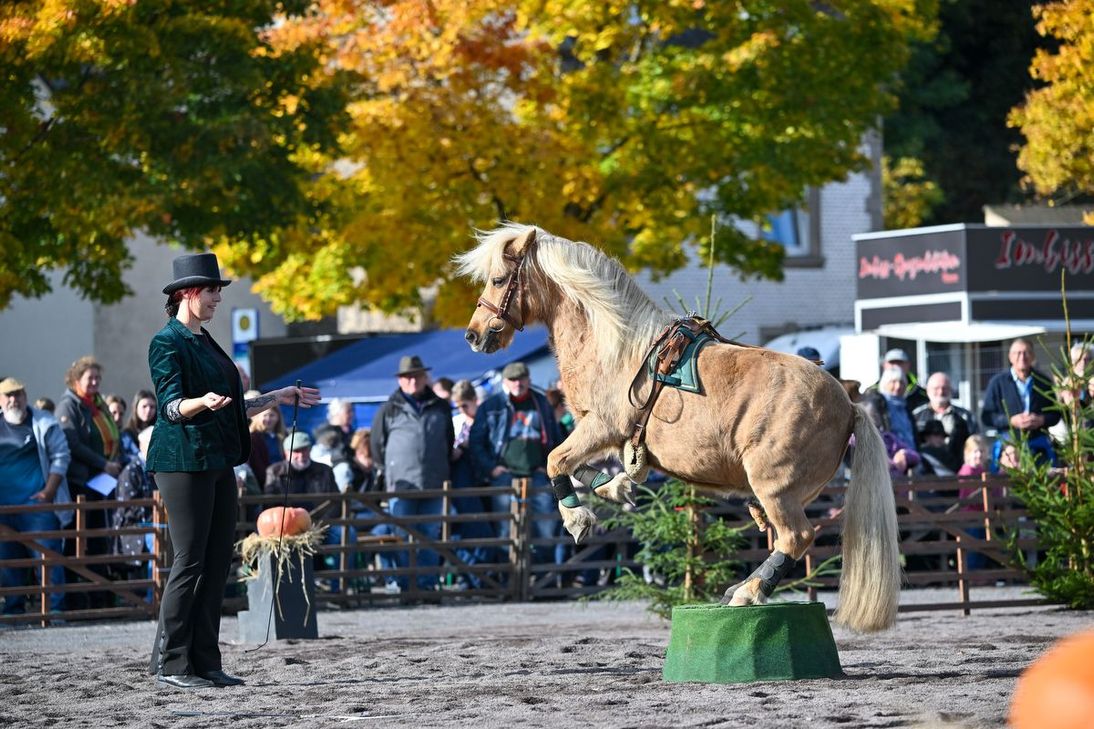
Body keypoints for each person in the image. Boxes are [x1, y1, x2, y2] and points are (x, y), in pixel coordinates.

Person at [146, 252, 319, 690]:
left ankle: (205, 660)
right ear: (188, 293)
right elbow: (169, 407)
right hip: (182, 462)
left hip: (219, 459)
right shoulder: (166, 342)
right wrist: (200, 402)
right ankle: (171, 662)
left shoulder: (205, 341)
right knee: (189, 560)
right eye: (212, 291)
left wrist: (278, 396)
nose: (218, 298)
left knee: (218, 559)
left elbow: (234, 406)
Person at [369, 355, 454, 592]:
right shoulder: (389, 409)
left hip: (434, 481)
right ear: (400, 380)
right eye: (408, 377)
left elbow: (448, 441)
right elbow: (377, 445)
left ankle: (427, 586)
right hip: (401, 484)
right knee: (402, 534)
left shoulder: (441, 406)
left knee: (429, 534)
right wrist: (391, 469)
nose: (413, 380)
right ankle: (407, 587)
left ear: (425, 377)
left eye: (417, 376)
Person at [468, 361, 563, 565]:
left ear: (529, 379)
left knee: (546, 528)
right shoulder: (491, 406)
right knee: (505, 530)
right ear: (505, 382)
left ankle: (541, 576)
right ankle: (507, 576)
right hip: (505, 475)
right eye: (512, 379)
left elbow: (555, 438)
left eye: (521, 379)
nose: (517, 383)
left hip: (537, 474)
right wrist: (491, 468)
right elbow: (476, 442)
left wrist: (547, 465)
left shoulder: (542, 403)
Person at [55, 355, 123, 609]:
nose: (95, 382)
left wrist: (114, 461)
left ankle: (100, 597)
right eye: (89, 378)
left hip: (102, 481)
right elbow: (72, 444)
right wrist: (103, 463)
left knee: (99, 540)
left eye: (97, 378)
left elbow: (112, 434)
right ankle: (77, 599)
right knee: (79, 541)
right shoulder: (68, 406)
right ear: (76, 380)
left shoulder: (98, 404)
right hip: (80, 484)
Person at [0, 377, 72, 614]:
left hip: (37, 507)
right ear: (0, 400)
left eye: (18, 394)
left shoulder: (44, 422)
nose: (14, 400)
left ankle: (54, 611)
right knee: (8, 563)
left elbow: (61, 456)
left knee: (48, 559)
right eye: (8, 395)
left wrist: (49, 491)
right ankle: (14, 611)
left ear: (25, 396)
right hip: (4, 509)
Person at [264, 432, 351, 592]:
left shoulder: (325, 470)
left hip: (321, 526)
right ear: (286, 453)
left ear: (310, 450)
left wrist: (319, 525)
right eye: (296, 451)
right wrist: (289, 525)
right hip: (286, 529)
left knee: (347, 534)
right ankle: (284, 592)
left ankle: (338, 590)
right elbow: (269, 504)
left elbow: (336, 503)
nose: (301, 455)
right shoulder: (275, 472)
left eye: (304, 450)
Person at [981, 338, 1059, 465]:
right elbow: (987, 416)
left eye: (1026, 352)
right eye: (1017, 353)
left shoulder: (1043, 382)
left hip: (1039, 448)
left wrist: (1041, 420)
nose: (1022, 357)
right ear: (1010, 357)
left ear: (1032, 356)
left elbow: (1056, 414)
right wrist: (1011, 421)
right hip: (1009, 448)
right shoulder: (998, 383)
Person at [449, 379, 494, 587]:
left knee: (488, 529)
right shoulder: (458, 422)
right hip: (466, 479)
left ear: (475, 400)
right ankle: (472, 578)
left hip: (484, 480)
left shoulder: (486, 421)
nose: (462, 410)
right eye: (458, 407)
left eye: (465, 405)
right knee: (470, 529)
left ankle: (486, 578)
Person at [112, 426, 157, 596]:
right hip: (134, 527)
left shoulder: (159, 467)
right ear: (142, 445)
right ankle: (153, 597)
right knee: (157, 541)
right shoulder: (131, 470)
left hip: (155, 523)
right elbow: (127, 509)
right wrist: (154, 511)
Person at [912, 372, 977, 472]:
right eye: (936, 388)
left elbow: (974, 443)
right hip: (926, 473)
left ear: (951, 390)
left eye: (945, 388)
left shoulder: (965, 416)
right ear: (928, 391)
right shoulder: (916, 416)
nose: (941, 391)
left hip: (958, 472)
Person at [859, 392, 920, 477]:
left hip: (895, 483)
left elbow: (916, 457)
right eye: (867, 417)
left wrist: (904, 454)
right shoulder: (854, 441)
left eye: (875, 415)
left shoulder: (888, 438)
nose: (873, 421)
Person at [245, 392, 285, 489]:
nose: (268, 419)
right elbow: (256, 464)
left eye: (272, 415)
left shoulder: (284, 436)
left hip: (283, 481)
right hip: (263, 483)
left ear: (278, 417)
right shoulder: (252, 438)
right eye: (265, 415)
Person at [877, 367, 917, 456]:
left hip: (911, 455)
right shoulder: (879, 405)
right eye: (893, 382)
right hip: (889, 456)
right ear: (885, 384)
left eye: (901, 382)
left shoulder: (906, 407)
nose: (898, 386)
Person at [120, 390, 157, 465]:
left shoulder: (158, 432)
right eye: (144, 406)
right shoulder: (127, 434)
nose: (148, 410)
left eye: (152, 407)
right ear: (136, 407)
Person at [313, 399, 355, 464]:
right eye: (348, 411)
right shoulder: (324, 432)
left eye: (352, 411)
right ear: (337, 413)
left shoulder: (350, 431)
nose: (352, 414)